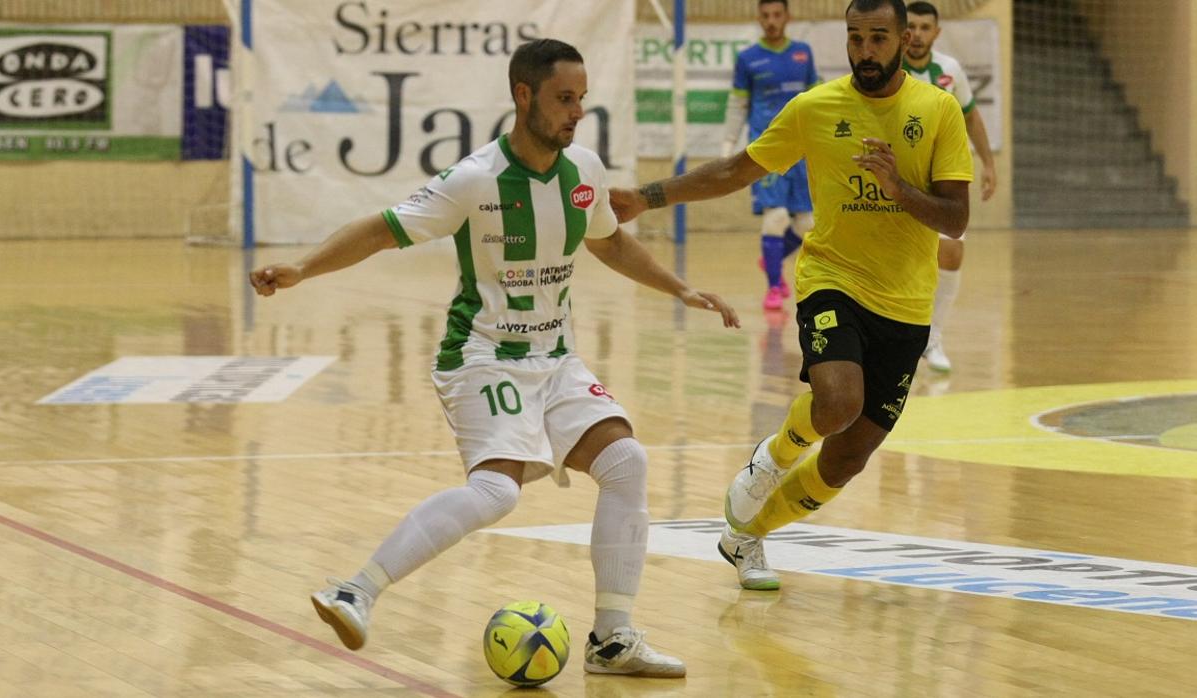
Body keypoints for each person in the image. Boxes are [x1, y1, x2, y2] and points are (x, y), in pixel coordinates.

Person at [250, 38, 739, 678]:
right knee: (495, 492)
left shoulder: (582, 171)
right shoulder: (473, 180)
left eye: (583, 100)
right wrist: (303, 267)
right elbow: (380, 228)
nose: (576, 112)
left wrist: (680, 288)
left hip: (556, 358)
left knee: (625, 461)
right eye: (565, 99)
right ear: (523, 95)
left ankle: (612, 641)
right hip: (482, 355)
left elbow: (610, 244)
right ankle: (355, 591)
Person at [611, 0, 971, 591]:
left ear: (905, 39)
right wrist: (650, 196)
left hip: (907, 304)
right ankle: (772, 458)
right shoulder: (816, 107)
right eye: (855, 37)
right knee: (835, 403)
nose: (865, 50)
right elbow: (735, 170)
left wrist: (898, 187)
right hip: (833, 277)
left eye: (879, 38)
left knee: (847, 459)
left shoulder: (938, 110)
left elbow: (955, 220)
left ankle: (746, 538)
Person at [904, 0, 998, 372]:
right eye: (912, 26)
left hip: (942, 179)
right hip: (902, 179)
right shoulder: (890, 70)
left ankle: (933, 338)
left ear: (936, 33)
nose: (918, 34)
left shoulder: (949, 69)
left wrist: (989, 163)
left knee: (952, 253)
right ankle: (895, 339)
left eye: (926, 27)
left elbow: (971, 118)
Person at [721, 0, 820, 311]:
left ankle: (772, 259)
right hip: (765, 151)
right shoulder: (748, 58)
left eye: (777, 15)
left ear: (788, 17)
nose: (771, 21)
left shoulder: (803, 53)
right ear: (759, 18)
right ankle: (775, 286)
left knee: (807, 224)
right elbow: (738, 104)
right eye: (765, 16)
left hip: (803, 151)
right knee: (775, 217)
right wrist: (728, 145)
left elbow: (818, 100)